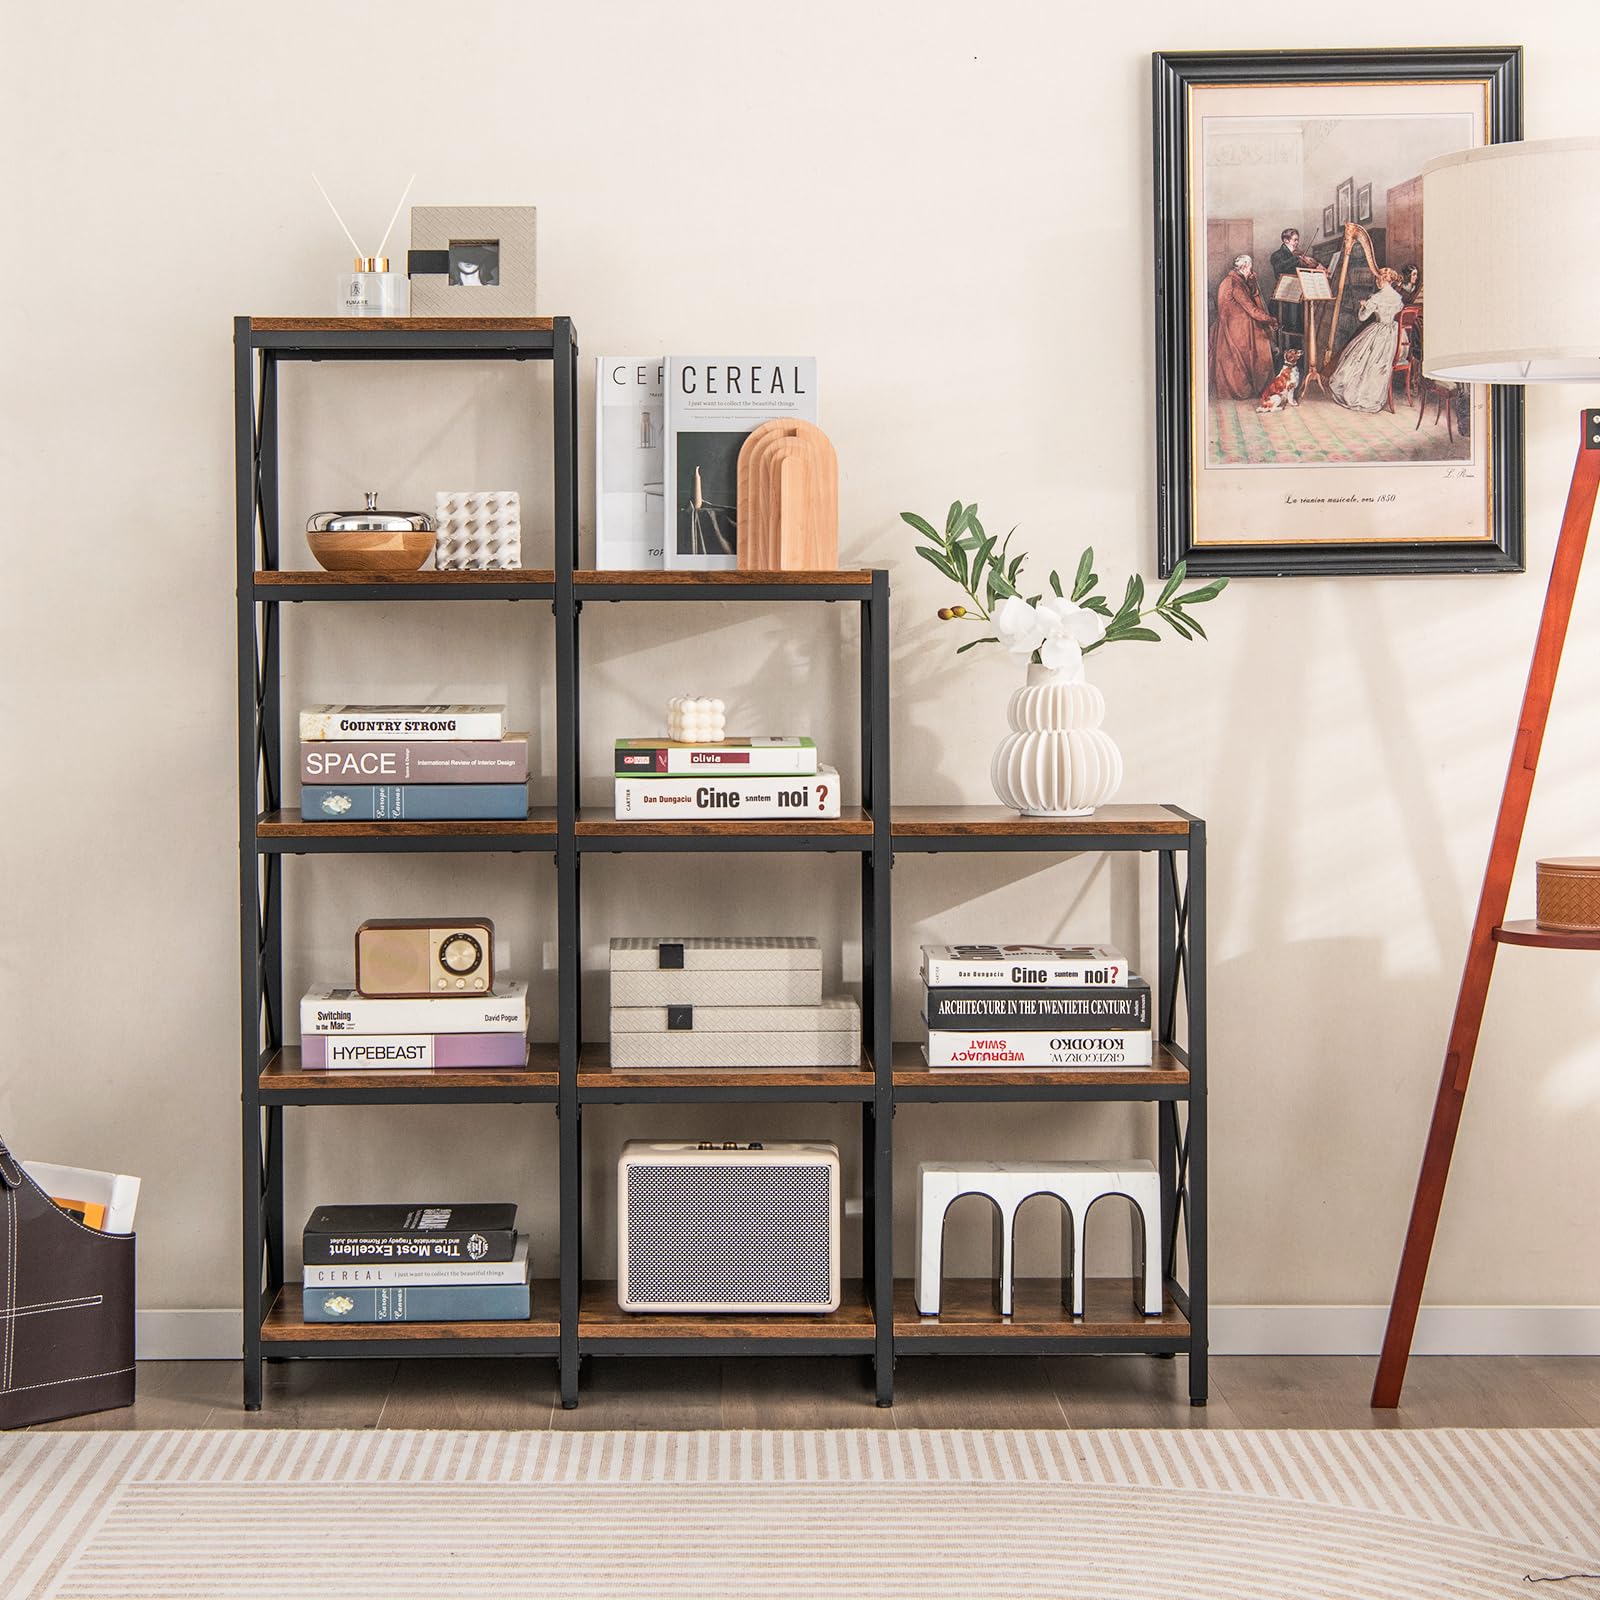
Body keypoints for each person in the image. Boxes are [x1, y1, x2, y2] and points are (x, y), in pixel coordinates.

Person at [1328, 267, 1405, 414]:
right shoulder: (1397, 297)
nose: (1376, 282)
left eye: (1377, 279)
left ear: (1381, 280)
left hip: (1380, 334)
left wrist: (1362, 306)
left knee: (1356, 358)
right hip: (1395, 336)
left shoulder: (1376, 298)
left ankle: (1361, 395)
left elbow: (1362, 317)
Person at [1209, 254, 1276, 401]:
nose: (1251, 271)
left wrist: (1251, 283)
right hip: (1236, 329)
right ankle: (1261, 386)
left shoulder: (1231, 280)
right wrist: (1270, 319)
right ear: (1244, 267)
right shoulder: (1236, 284)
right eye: (1250, 268)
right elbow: (1252, 310)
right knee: (1263, 342)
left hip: (1227, 326)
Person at [1269, 228, 1322, 354]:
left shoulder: (1298, 254)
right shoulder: (1277, 255)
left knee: (1299, 326)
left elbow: (1307, 266)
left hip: (1298, 295)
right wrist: (1297, 259)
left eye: (1297, 240)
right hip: (1284, 297)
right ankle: (1284, 355)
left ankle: (1297, 354)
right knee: (1286, 326)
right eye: (1294, 240)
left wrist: (1316, 265)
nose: (1297, 243)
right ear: (1285, 240)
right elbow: (1280, 268)